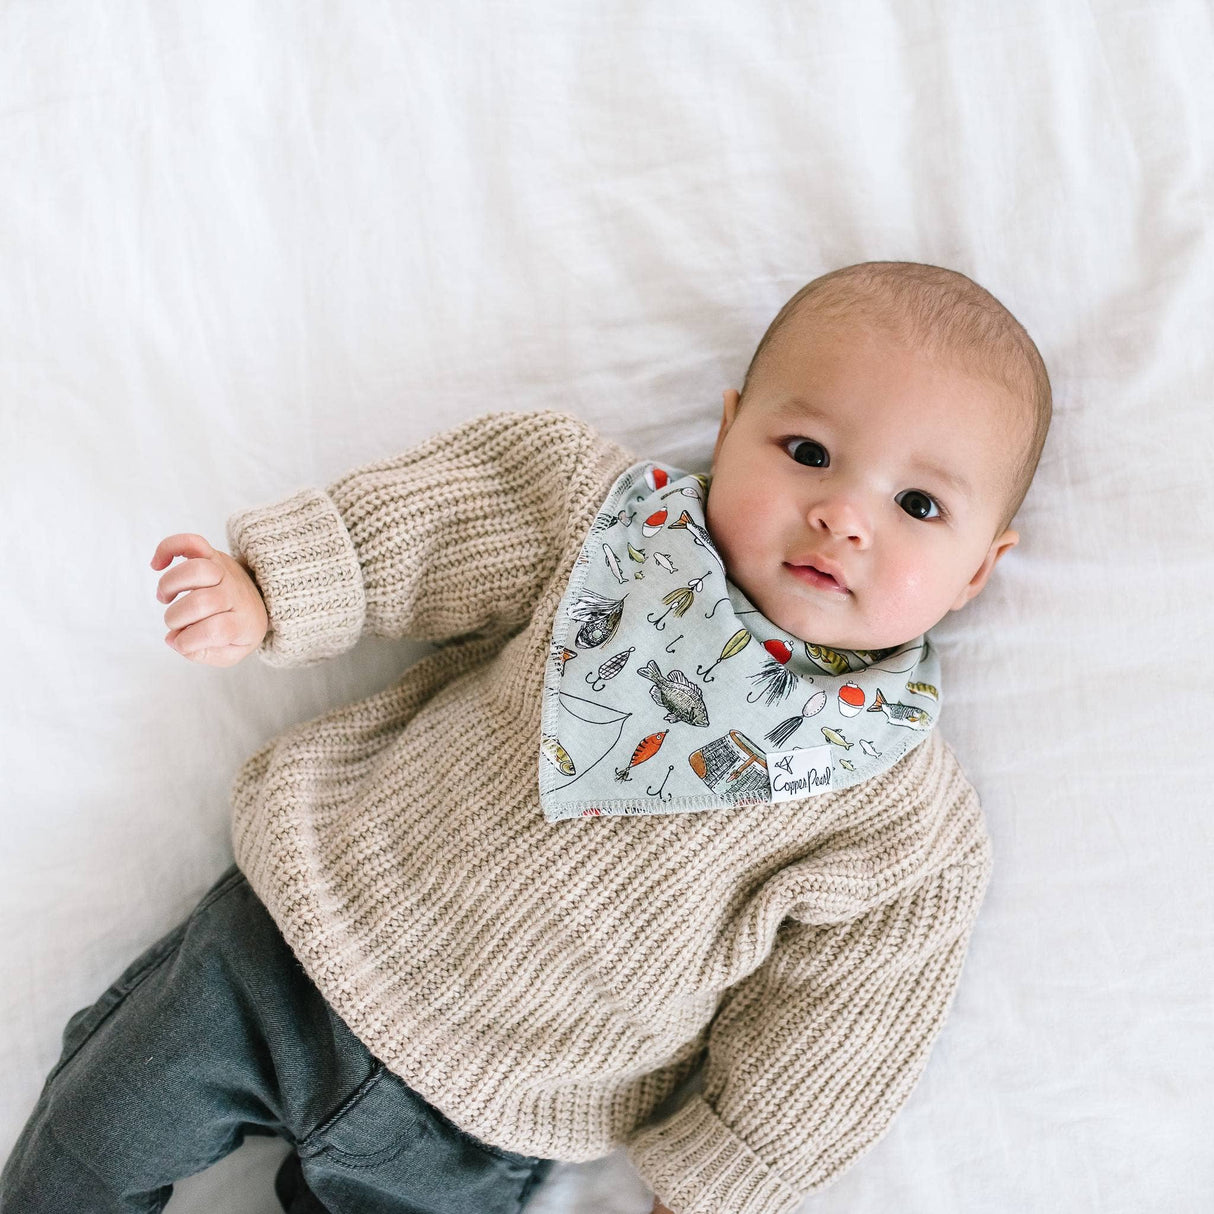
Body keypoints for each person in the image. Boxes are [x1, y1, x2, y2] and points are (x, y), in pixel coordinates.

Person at [1, 261, 1051, 1214]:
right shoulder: (601, 526)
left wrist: (715, 1181)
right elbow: (436, 525)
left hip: (490, 1119)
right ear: (731, 429)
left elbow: (838, 1025)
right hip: (293, 936)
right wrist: (270, 588)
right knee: (93, 1139)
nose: (844, 516)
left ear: (977, 569)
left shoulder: (903, 821)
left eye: (919, 505)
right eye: (808, 452)